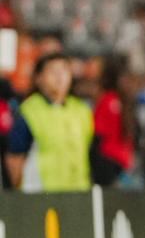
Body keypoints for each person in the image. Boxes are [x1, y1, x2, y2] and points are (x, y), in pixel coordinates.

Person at [4, 53, 94, 192]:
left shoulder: (81, 111)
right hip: (41, 195)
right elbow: (14, 158)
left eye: (64, 70)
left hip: (78, 195)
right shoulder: (29, 111)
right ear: (39, 78)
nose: (59, 77)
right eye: (52, 71)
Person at [91, 56, 137, 186]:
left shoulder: (108, 100)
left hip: (109, 160)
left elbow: (97, 134)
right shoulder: (123, 101)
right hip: (121, 160)